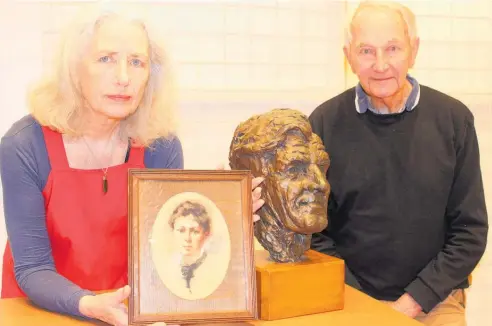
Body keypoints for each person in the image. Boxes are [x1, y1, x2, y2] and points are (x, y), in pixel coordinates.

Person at [0, 8, 264, 326]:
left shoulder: (161, 146)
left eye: (136, 62)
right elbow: (33, 268)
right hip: (42, 309)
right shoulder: (24, 145)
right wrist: (86, 303)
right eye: (106, 59)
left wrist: (222, 222)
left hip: (126, 308)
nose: (124, 77)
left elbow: (164, 250)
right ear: (74, 69)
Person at [308, 2, 488, 326]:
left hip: (434, 301)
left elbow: (470, 232)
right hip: (349, 298)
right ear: (348, 55)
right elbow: (315, 232)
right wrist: (362, 303)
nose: (381, 64)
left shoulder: (454, 121)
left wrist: (410, 304)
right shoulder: (322, 124)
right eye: (366, 51)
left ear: (413, 50)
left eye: (392, 48)